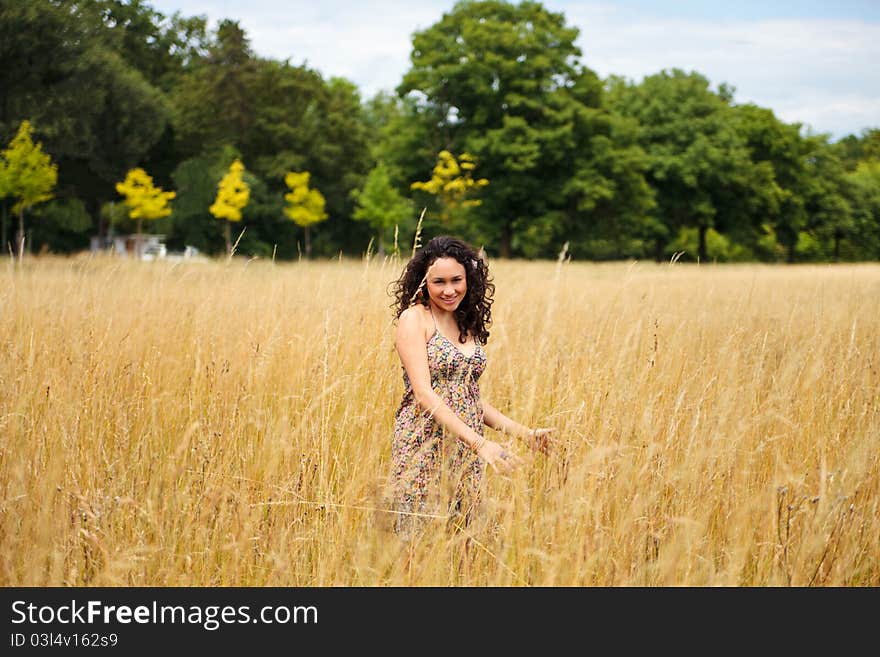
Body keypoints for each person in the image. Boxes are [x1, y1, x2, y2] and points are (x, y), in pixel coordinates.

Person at [388, 235, 554, 538]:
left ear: (469, 279)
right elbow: (423, 394)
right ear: (424, 282)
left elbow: (470, 398)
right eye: (439, 282)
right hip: (423, 443)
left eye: (457, 280)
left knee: (465, 540)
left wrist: (525, 434)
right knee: (417, 543)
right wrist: (481, 444)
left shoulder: (466, 323)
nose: (449, 290)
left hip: (465, 445)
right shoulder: (414, 319)